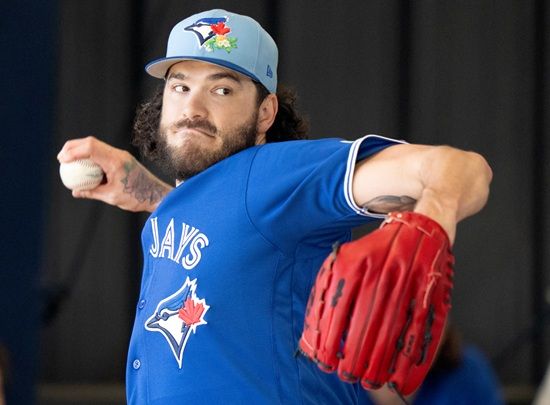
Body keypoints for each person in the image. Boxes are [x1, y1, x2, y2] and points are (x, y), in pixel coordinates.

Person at [57, 9, 492, 404]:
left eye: (222, 89)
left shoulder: (273, 174)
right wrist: (147, 191)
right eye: (181, 86)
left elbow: (460, 168)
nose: (193, 106)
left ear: (265, 113)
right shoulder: (190, 208)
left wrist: (429, 223)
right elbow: (228, 236)